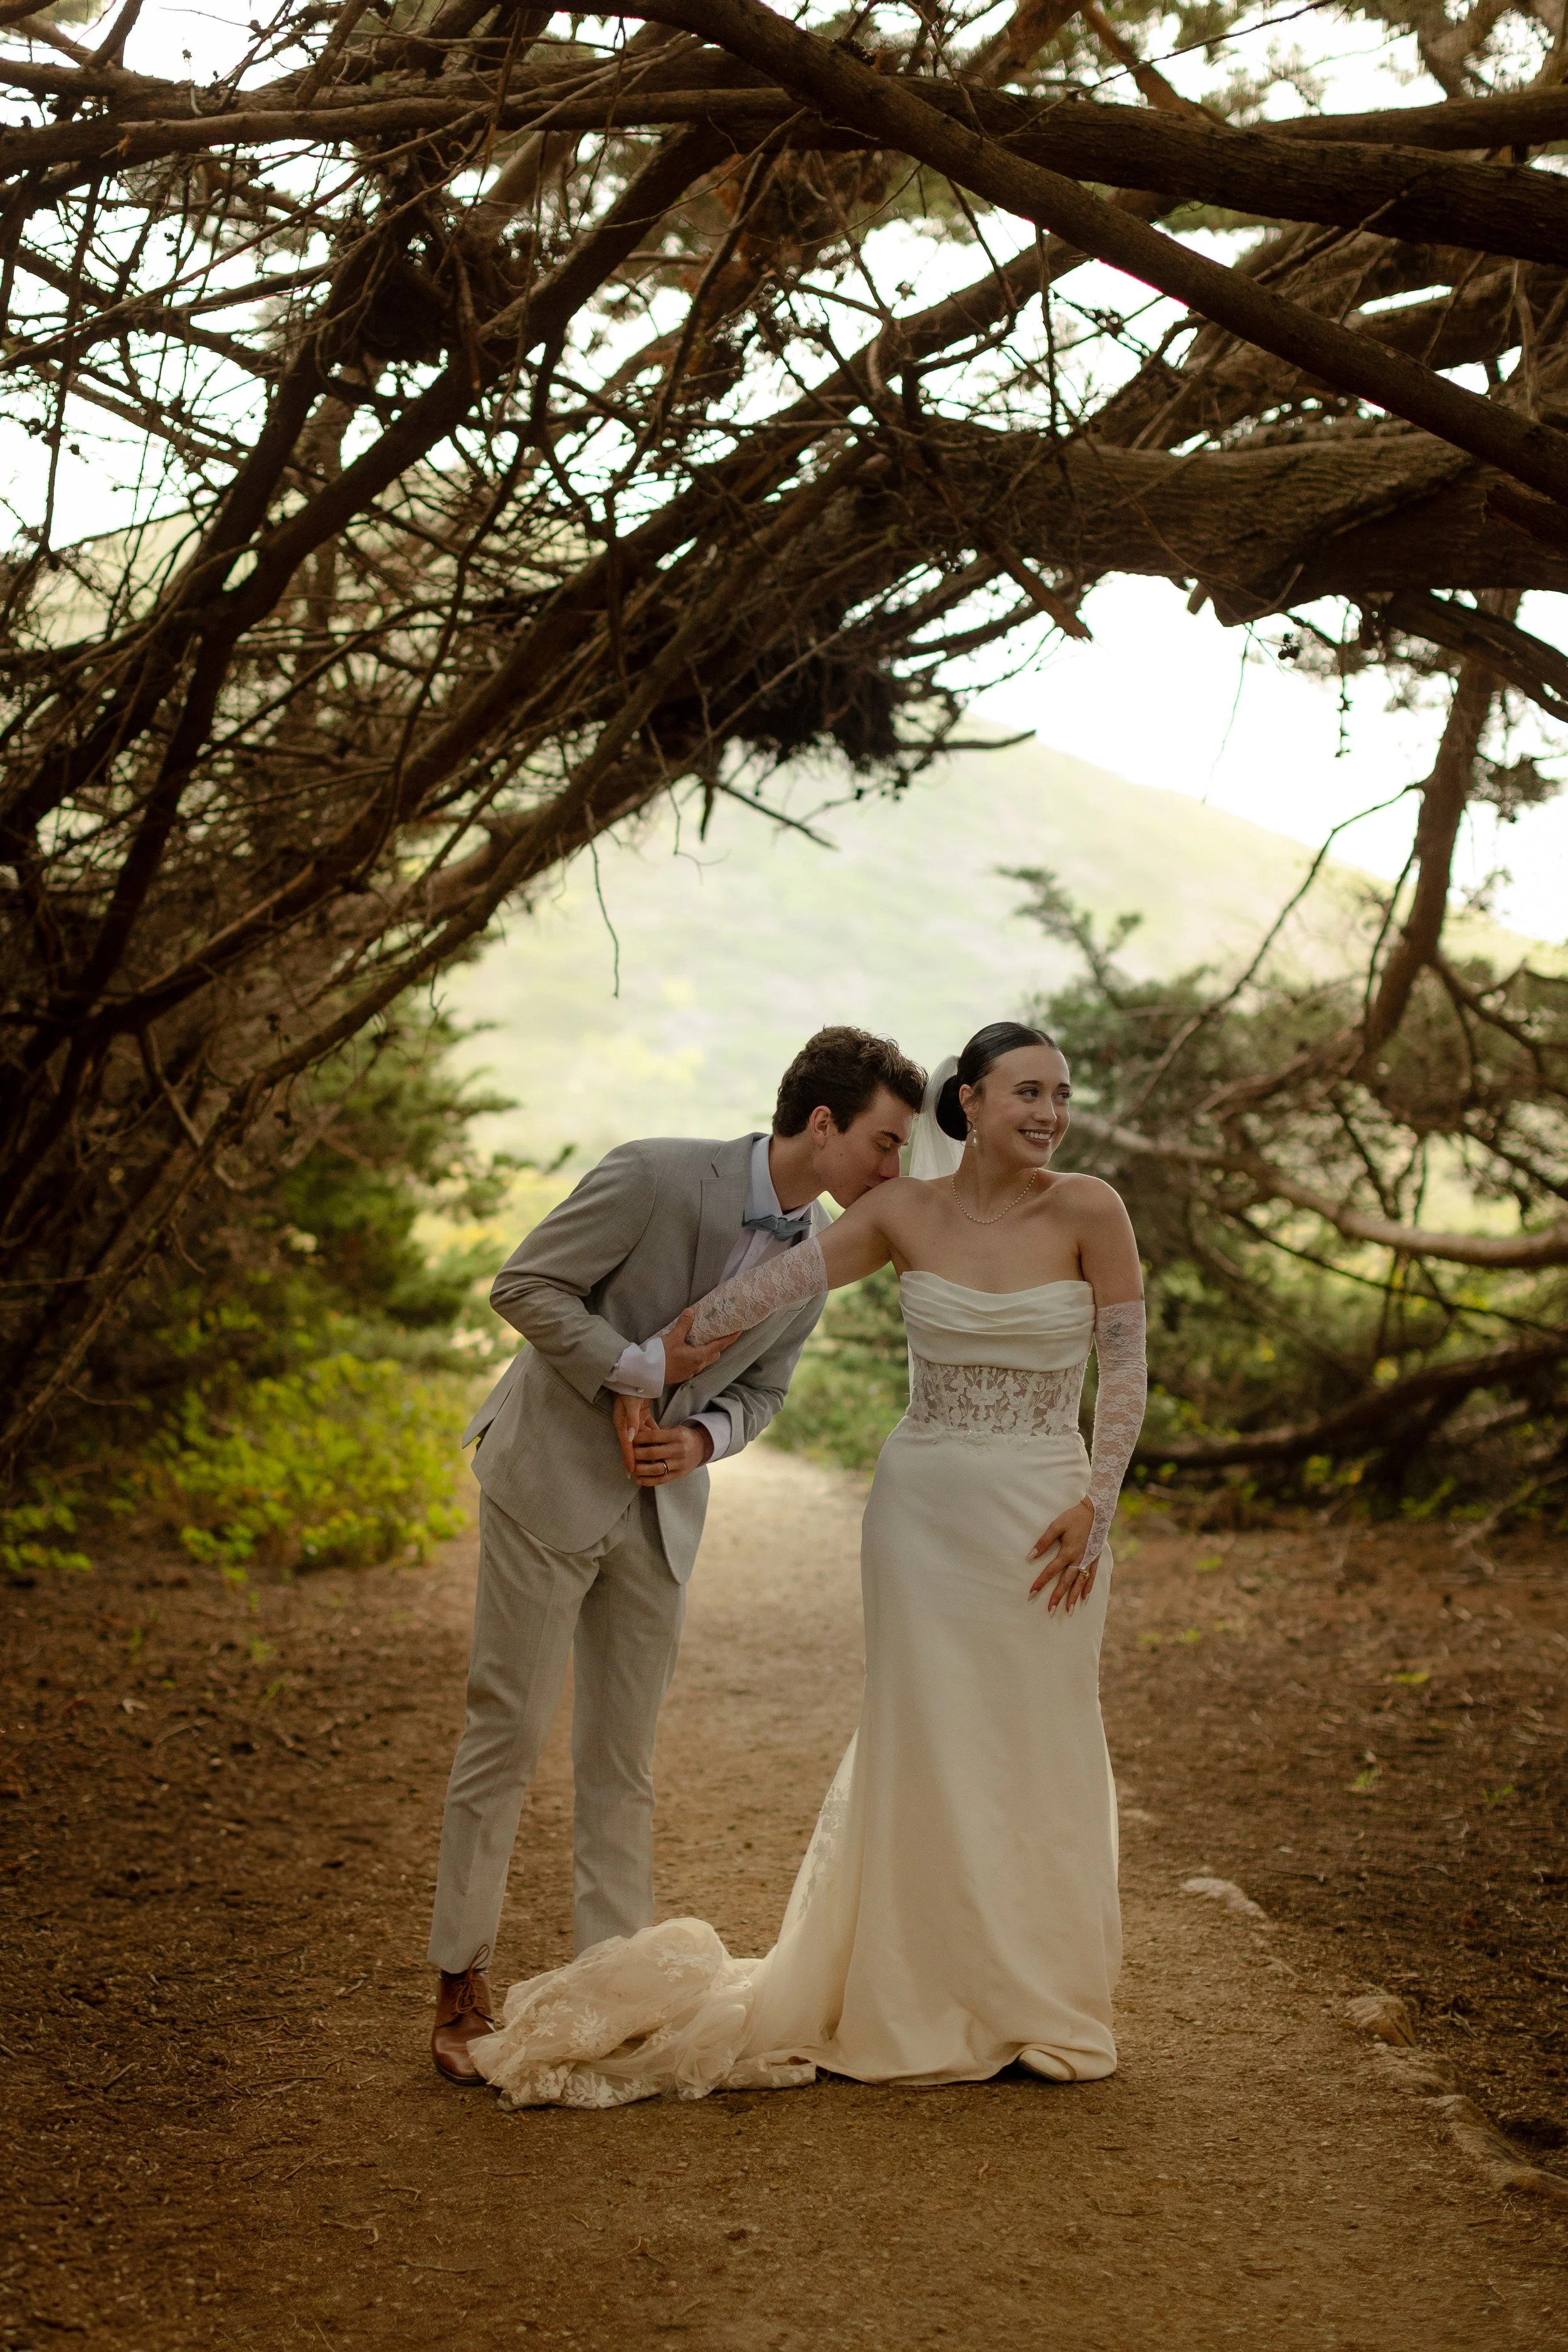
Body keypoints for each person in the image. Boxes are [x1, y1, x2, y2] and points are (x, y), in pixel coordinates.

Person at [469, 1022, 1148, 2108]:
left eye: (1062, 1095)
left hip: (1051, 1516)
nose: (1050, 1112)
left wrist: (1098, 1505)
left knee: (1045, 1737)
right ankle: (918, 1988)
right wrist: (645, 1369)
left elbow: (1125, 1366)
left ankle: (1042, 1999)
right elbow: (761, 1294)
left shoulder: (1091, 1209)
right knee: (924, 1741)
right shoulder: (895, 1214)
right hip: (924, 1518)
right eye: (1028, 1091)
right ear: (968, 1102)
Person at [427, 1027, 927, 2084]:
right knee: (506, 1733)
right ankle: (459, 1981)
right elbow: (523, 1285)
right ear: (825, 1123)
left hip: (662, 1515)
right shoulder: (654, 1172)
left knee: (623, 1762)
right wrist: (634, 1368)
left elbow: (762, 1395)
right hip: (546, 1480)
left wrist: (699, 1438)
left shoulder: (816, 1263)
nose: (893, 1174)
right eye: (884, 1146)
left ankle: (610, 1995)